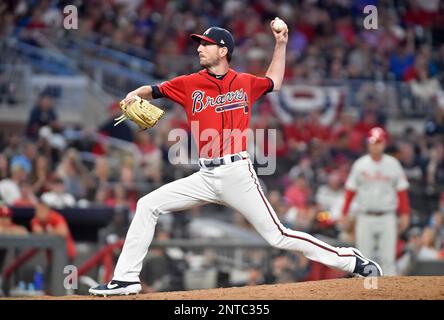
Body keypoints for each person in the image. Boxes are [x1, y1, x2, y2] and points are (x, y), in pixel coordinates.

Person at [90, 20, 382, 296]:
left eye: (206, 44)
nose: (199, 48)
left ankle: (351, 261)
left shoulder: (244, 82)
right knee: (147, 205)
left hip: (237, 173)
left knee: (278, 236)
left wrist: (280, 44)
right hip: (204, 176)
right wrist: (132, 93)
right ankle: (125, 279)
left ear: (223, 50)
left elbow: (274, 81)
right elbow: (152, 90)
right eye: (199, 44)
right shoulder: (188, 83)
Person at [341, 127, 410, 276]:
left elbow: (402, 191)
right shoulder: (360, 164)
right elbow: (350, 190)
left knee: (388, 259)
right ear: (368, 144)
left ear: (384, 143)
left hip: (387, 216)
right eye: (372, 142)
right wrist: (345, 212)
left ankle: (390, 296)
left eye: (378, 142)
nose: (375, 145)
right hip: (365, 216)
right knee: (365, 259)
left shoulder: (393, 164)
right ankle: (367, 294)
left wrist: (405, 213)